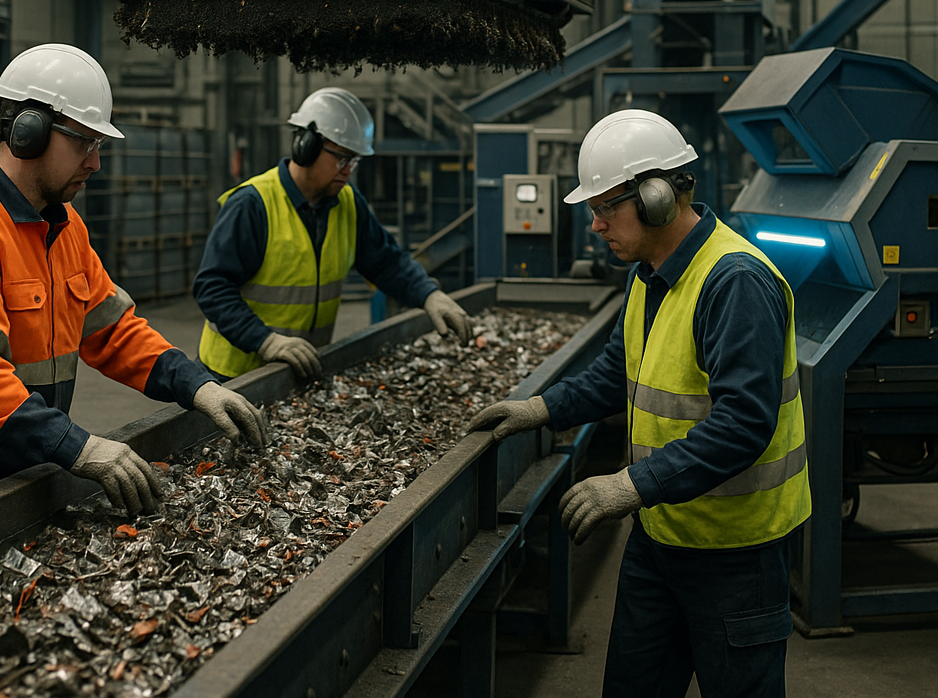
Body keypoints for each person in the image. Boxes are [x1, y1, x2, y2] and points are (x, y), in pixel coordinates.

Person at [468, 109, 811, 698]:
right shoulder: (650, 276)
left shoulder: (735, 283)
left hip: (736, 553)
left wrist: (627, 486)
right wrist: (539, 410)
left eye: (604, 208)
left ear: (657, 198)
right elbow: (613, 376)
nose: (594, 226)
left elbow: (743, 426)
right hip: (661, 536)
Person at [0, 43, 268, 518]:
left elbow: (112, 330)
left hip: (28, 467)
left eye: (98, 145)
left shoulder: (63, 226)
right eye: (84, 142)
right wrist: (79, 446)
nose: (95, 163)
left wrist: (197, 386)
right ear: (28, 133)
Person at [194, 86, 471, 380]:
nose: (348, 171)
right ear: (306, 146)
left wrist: (429, 295)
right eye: (341, 159)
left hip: (298, 372)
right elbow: (212, 287)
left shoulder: (348, 203)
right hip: (231, 377)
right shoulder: (253, 204)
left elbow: (386, 262)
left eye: (354, 161)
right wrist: (265, 341)